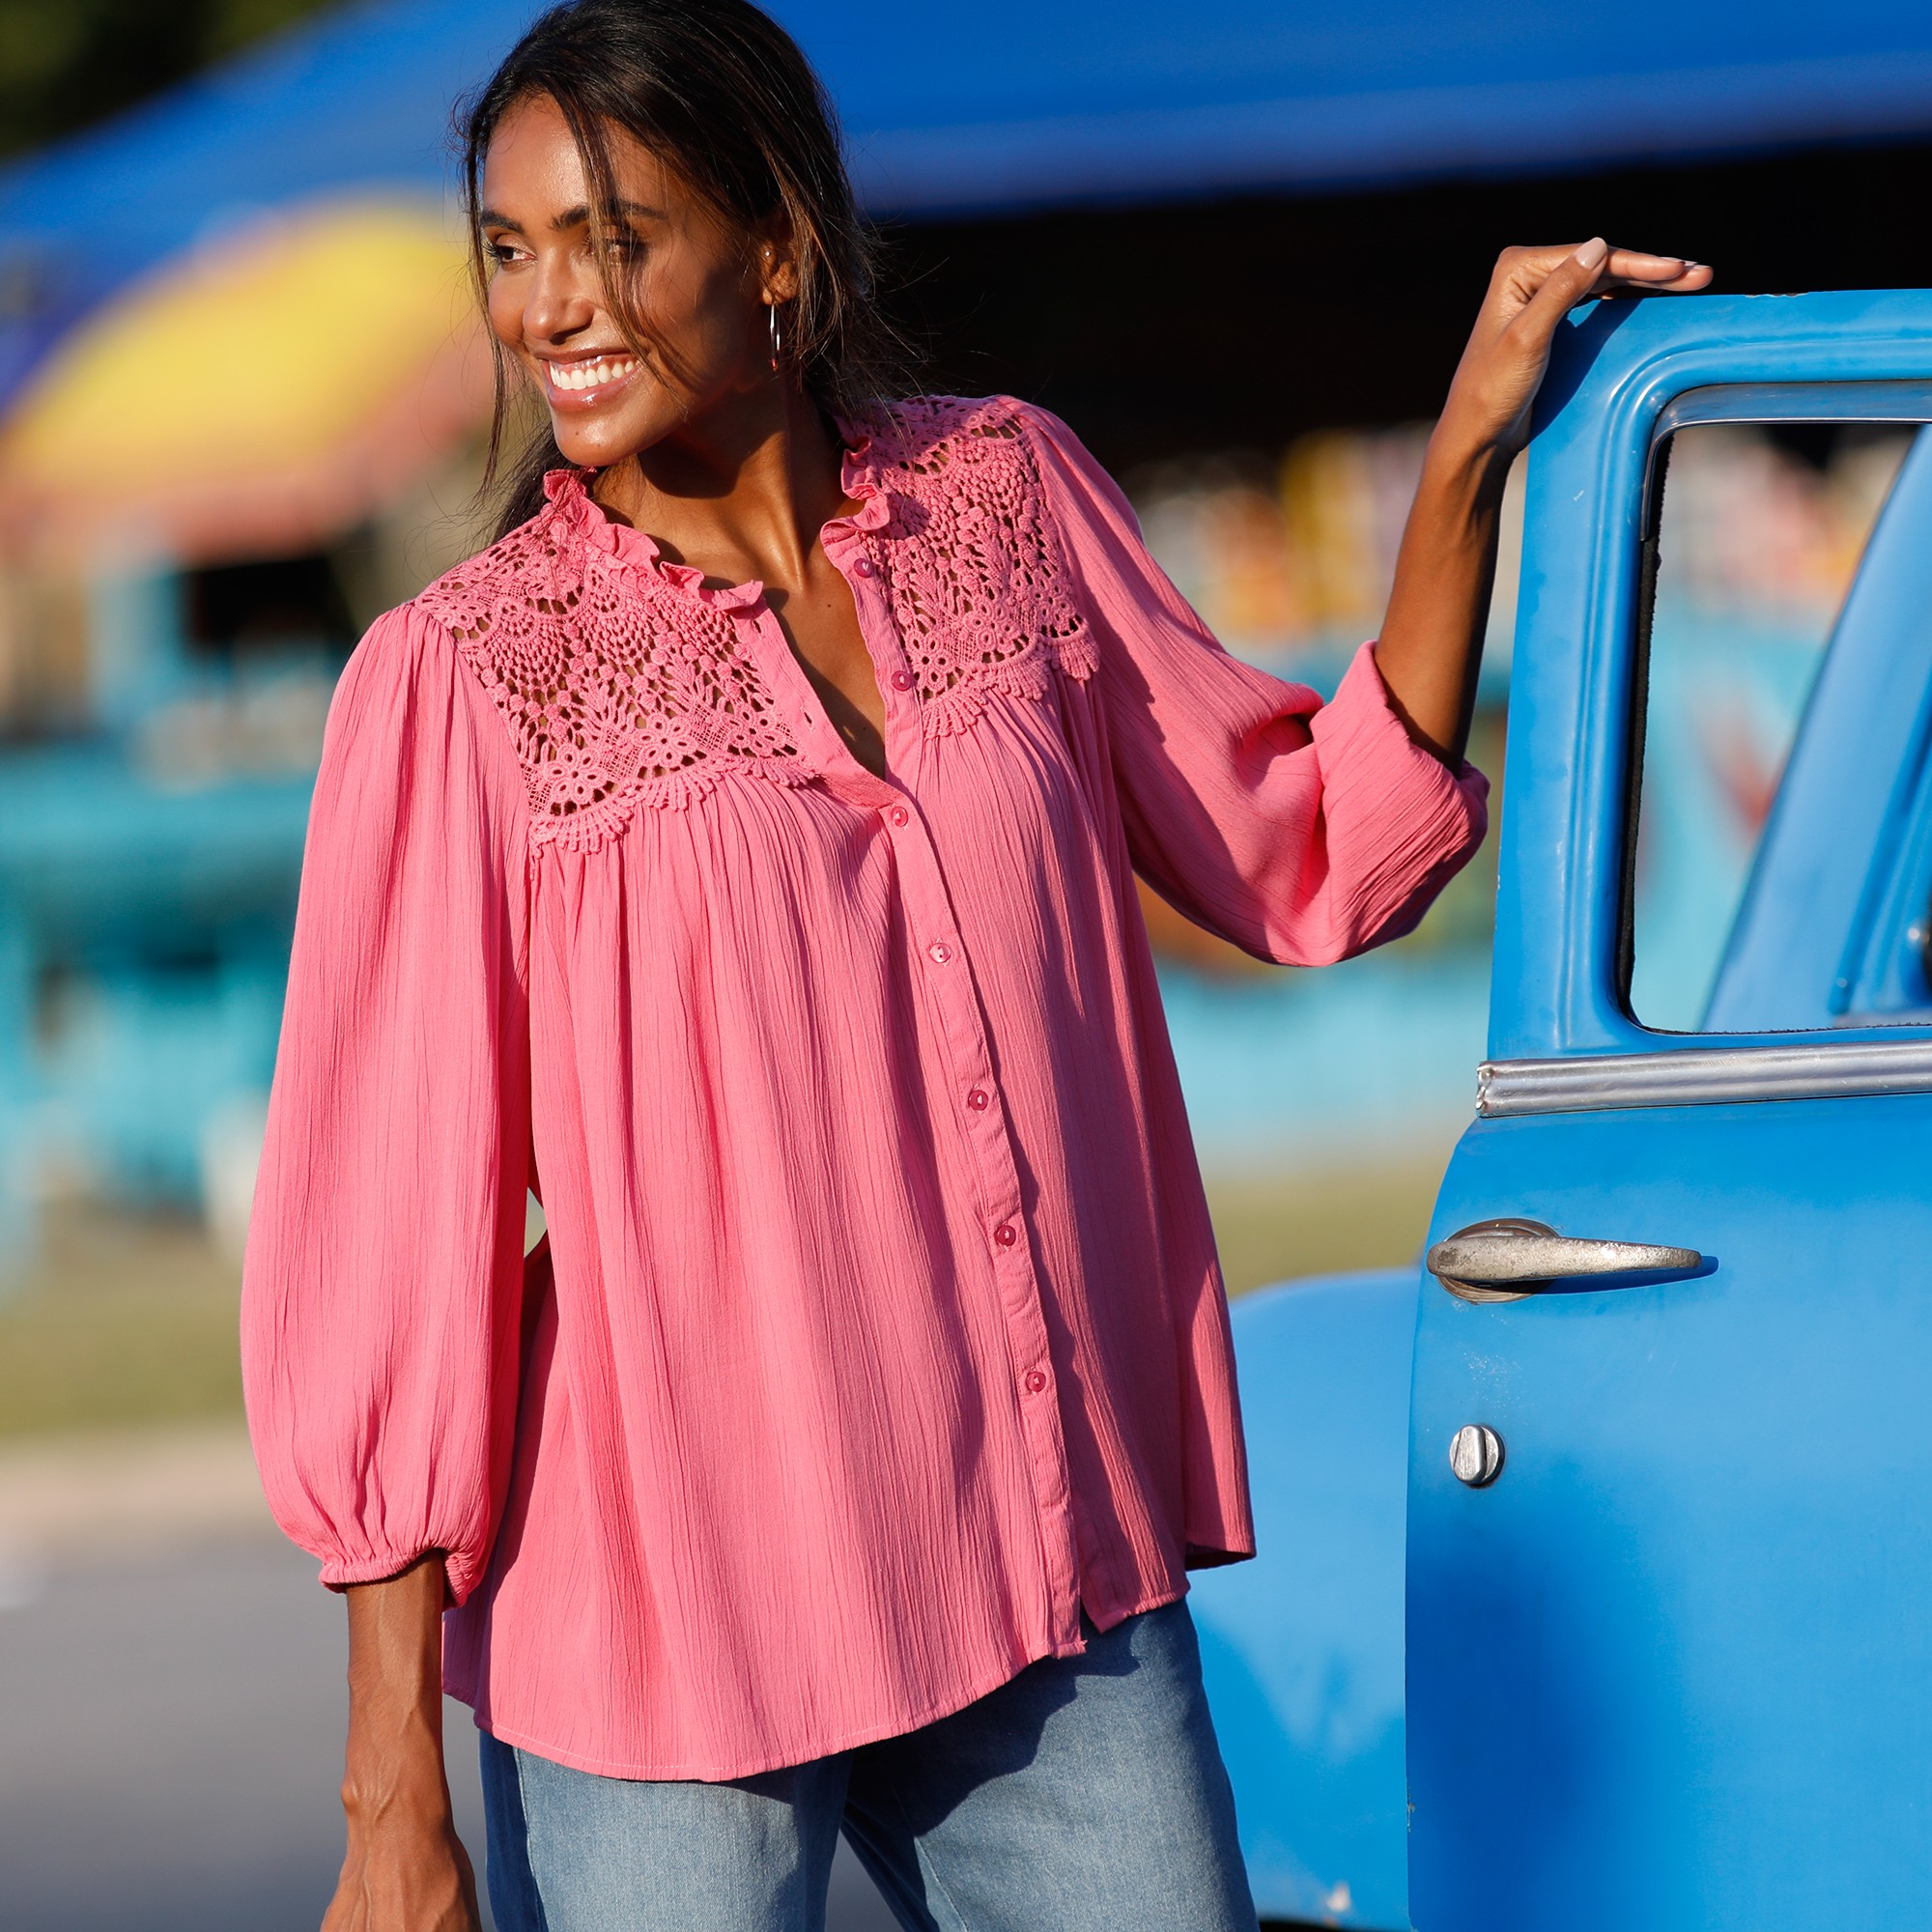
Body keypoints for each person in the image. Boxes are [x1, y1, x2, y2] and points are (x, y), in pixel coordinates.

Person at [239, 3, 1711, 1926]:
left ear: (774, 247)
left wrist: (1464, 454)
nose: (551, 309)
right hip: (663, 1646)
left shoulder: (1005, 503)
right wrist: (387, 1800)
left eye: (616, 238)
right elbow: (392, 1252)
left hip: (1039, 1568)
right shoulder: (458, 685)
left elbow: (1307, 846)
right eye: (512, 250)